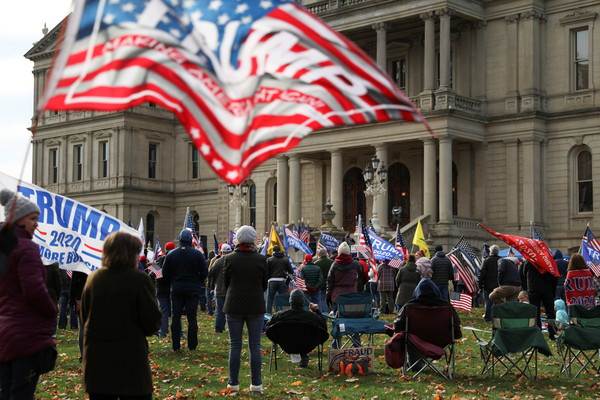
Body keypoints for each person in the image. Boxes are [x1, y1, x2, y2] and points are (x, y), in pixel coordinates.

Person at [80, 231, 161, 400]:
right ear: (130, 253)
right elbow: (151, 320)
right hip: (130, 358)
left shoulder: (94, 278)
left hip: (98, 357)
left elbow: (85, 316)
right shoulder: (139, 279)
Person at [0, 189, 57, 400]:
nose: (36, 224)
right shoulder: (26, 248)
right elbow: (34, 290)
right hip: (26, 335)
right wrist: (51, 311)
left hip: (5, 334)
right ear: (18, 219)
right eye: (33, 219)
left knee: (5, 392)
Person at [223, 225, 268, 394]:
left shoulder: (229, 259)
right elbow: (264, 285)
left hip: (233, 304)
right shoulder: (261, 260)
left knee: (235, 345)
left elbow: (226, 283)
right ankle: (256, 384)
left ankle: (233, 383)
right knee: (254, 345)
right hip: (255, 305)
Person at [162, 230, 208, 351]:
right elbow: (204, 272)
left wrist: (173, 281)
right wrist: (197, 281)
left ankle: (176, 345)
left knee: (176, 317)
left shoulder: (171, 254)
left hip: (177, 288)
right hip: (192, 289)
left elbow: (165, 273)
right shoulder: (197, 254)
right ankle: (192, 345)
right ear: (190, 239)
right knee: (192, 318)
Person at [265, 289, 328, 368]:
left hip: (286, 344)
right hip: (307, 345)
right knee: (304, 337)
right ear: (303, 302)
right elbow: (324, 326)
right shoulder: (312, 317)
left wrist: (277, 337)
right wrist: (317, 311)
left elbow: (268, 327)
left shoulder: (279, 315)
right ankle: (304, 361)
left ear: (290, 301)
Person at [520, 259, 558, 340]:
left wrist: (526, 287)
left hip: (533, 288)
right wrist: (553, 290)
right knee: (550, 312)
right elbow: (554, 277)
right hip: (547, 288)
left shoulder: (528, 261)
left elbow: (523, 275)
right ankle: (552, 332)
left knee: (535, 313)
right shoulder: (547, 261)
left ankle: (538, 332)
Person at [326, 242, 362, 314]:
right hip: (352, 295)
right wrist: (359, 292)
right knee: (351, 318)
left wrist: (328, 296)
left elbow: (330, 282)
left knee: (338, 319)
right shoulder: (356, 264)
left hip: (337, 296)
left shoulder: (334, 265)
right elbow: (361, 280)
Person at [207, 243, 233, 333]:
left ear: (221, 252)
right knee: (230, 312)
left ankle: (219, 329)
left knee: (220, 311)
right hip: (231, 290)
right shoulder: (233, 261)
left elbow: (210, 273)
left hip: (219, 290)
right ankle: (231, 328)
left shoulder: (217, 261)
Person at [154, 241, 176, 338]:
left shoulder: (159, 260)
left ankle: (163, 332)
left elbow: (153, 274)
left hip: (161, 289)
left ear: (165, 249)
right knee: (176, 311)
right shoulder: (175, 259)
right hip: (172, 288)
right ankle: (178, 333)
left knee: (164, 312)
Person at [265, 245, 293, 314]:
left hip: (271, 281)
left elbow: (265, 272)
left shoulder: (269, 260)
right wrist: (287, 282)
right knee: (282, 299)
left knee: (270, 300)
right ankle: (282, 314)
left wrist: (267, 280)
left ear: (273, 251)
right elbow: (291, 272)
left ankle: (268, 315)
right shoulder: (285, 260)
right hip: (282, 281)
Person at [479, 245, 502, 322]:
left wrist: (480, 285)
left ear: (490, 251)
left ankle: (488, 317)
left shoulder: (486, 260)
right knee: (497, 302)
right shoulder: (501, 261)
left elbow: (482, 273)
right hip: (498, 285)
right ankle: (496, 317)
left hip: (487, 285)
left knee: (488, 302)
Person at [314, 248, 333, 312]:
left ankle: (324, 314)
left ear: (319, 254)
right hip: (330, 283)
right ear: (326, 254)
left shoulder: (316, 263)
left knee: (322, 300)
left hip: (321, 284)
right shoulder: (331, 262)